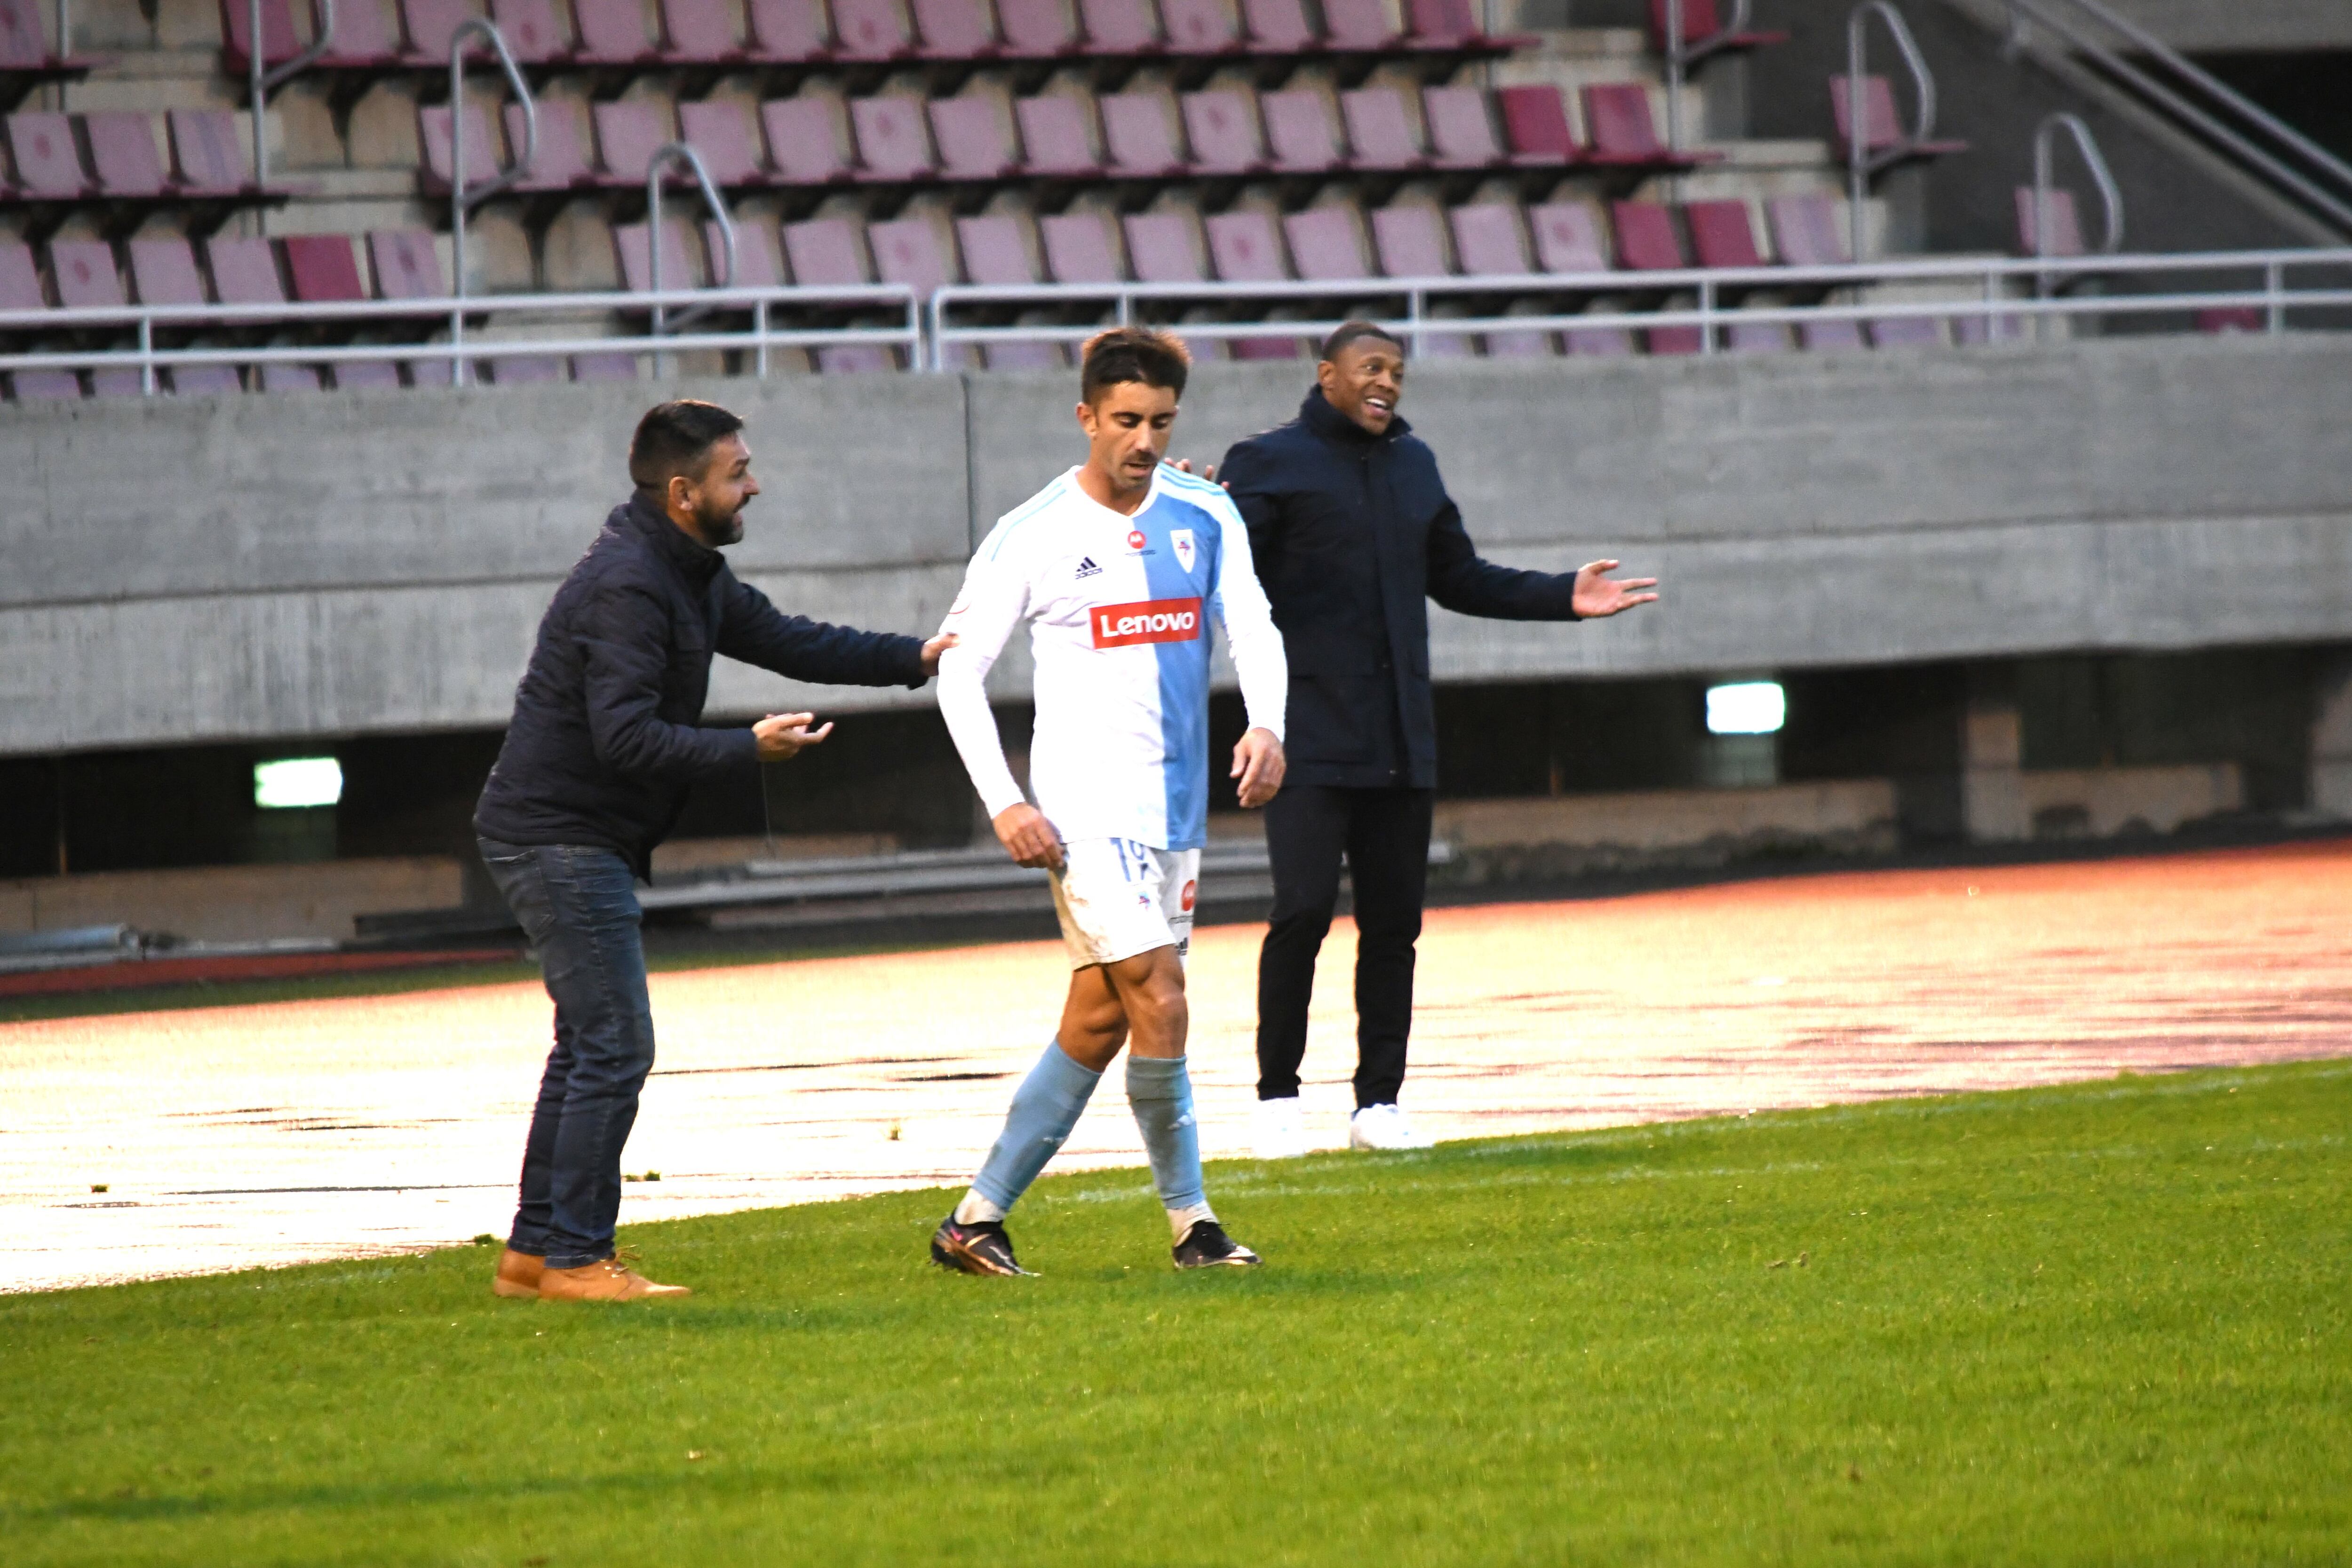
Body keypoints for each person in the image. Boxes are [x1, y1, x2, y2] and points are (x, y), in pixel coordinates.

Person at [473, 399, 952, 1303]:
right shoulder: (630, 583)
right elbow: (623, 739)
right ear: (685, 492)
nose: (755, 484)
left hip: (572, 834)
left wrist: (918, 658)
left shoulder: (686, 569)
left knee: (588, 1044)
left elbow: (786, 638)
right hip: (558, 836)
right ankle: (577, 1257)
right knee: (615, 1044)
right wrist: (748, 748)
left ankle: (535, 1255)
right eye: (739, 474)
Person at [1219, 322, 1658, 1159]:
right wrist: (1192, 509)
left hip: (1400, 737)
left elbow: (1460, 576)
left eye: (1397, 372)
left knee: (1394, 927)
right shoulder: (1268, 461)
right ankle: (1278, 1097)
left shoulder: (1414, 465)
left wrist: (1565, 594)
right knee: (1302, 914)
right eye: (1371, 368)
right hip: (1305, 735)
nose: (1387, 382)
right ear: (1328, 376)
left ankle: (1378, 1103)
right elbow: (1224, 573)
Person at [928, 326, 1289, 1276]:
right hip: (1082, 815)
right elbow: (957, 674)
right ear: (1085, 416)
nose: (1143, 439)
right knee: (1162, 998)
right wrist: (1006, 802)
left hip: (1174, 814)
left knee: (1100, 1017)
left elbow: (1252, 624)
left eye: (1161, 422)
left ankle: (974, 1221)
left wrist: (1267, 724)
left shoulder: (1204, 511)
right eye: (1125, 420)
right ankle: (1194, 1224)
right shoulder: (1032, 532)